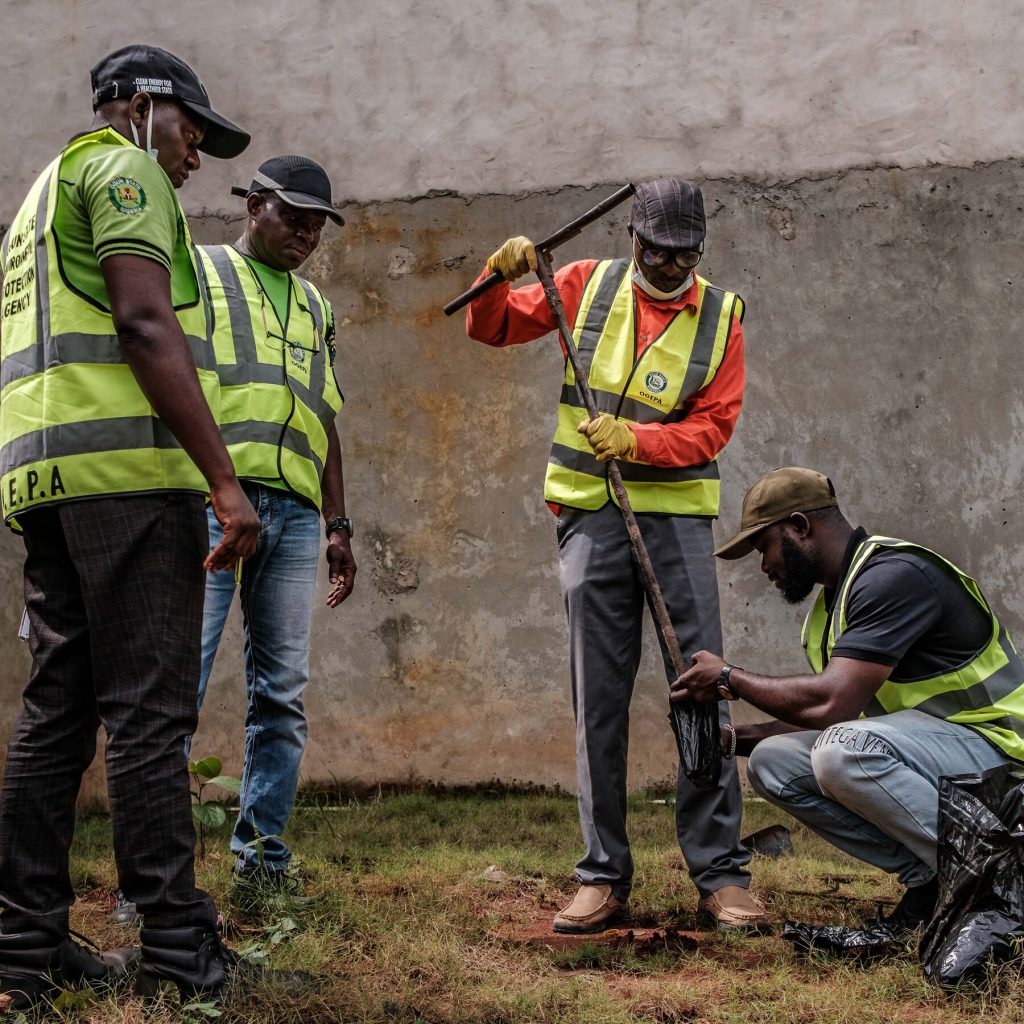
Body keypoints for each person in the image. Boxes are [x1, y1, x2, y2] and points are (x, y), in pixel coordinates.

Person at [0, 44, 259, 1007]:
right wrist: (223, 481)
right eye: (193, 133)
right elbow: (144, 324)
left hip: (49, 479)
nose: (195, 158)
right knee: (149, 713)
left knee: (58, 709)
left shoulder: (39, 193)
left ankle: (20, 948)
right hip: (125, 480)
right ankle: (180, 951)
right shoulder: (123, 169)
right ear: (145, 107)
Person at [465, 179, 767, 933]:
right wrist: (493, 273)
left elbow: (714, 425)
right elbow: (492, 328)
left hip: (677, 526)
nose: (671, 266)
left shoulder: (721, 316)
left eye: (686, 254)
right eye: (658, 251)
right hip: (591, 518)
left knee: (701, 689)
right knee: (596, 697)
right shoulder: (583, 284)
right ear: (632, 236)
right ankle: (602, 876)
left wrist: (640, 442)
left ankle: (721, 874)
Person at [673, 466, 1024, 932]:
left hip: (1000, 752)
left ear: (799, 527)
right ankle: (931, 879)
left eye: (764, 547)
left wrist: (730, 677)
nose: (763, 566)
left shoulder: (893, 576)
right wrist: (729, 740)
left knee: (843, 750)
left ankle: (1000, 872)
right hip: (941, 752)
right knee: (772, 763)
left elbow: (832, 707)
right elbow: (827, 717)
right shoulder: (830, 611)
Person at [195, 156, 353, 898]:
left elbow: (326, 415)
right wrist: (216, 488)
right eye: (295, 216)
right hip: (212, 508)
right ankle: (151, 880)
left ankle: (262, 863)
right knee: (175, 691)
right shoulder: (201, 274)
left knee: (282, 696)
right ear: (253, 204)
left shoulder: (317, 308)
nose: (308, 233)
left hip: (291, 517)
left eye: (318, 222)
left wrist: (337, 524)